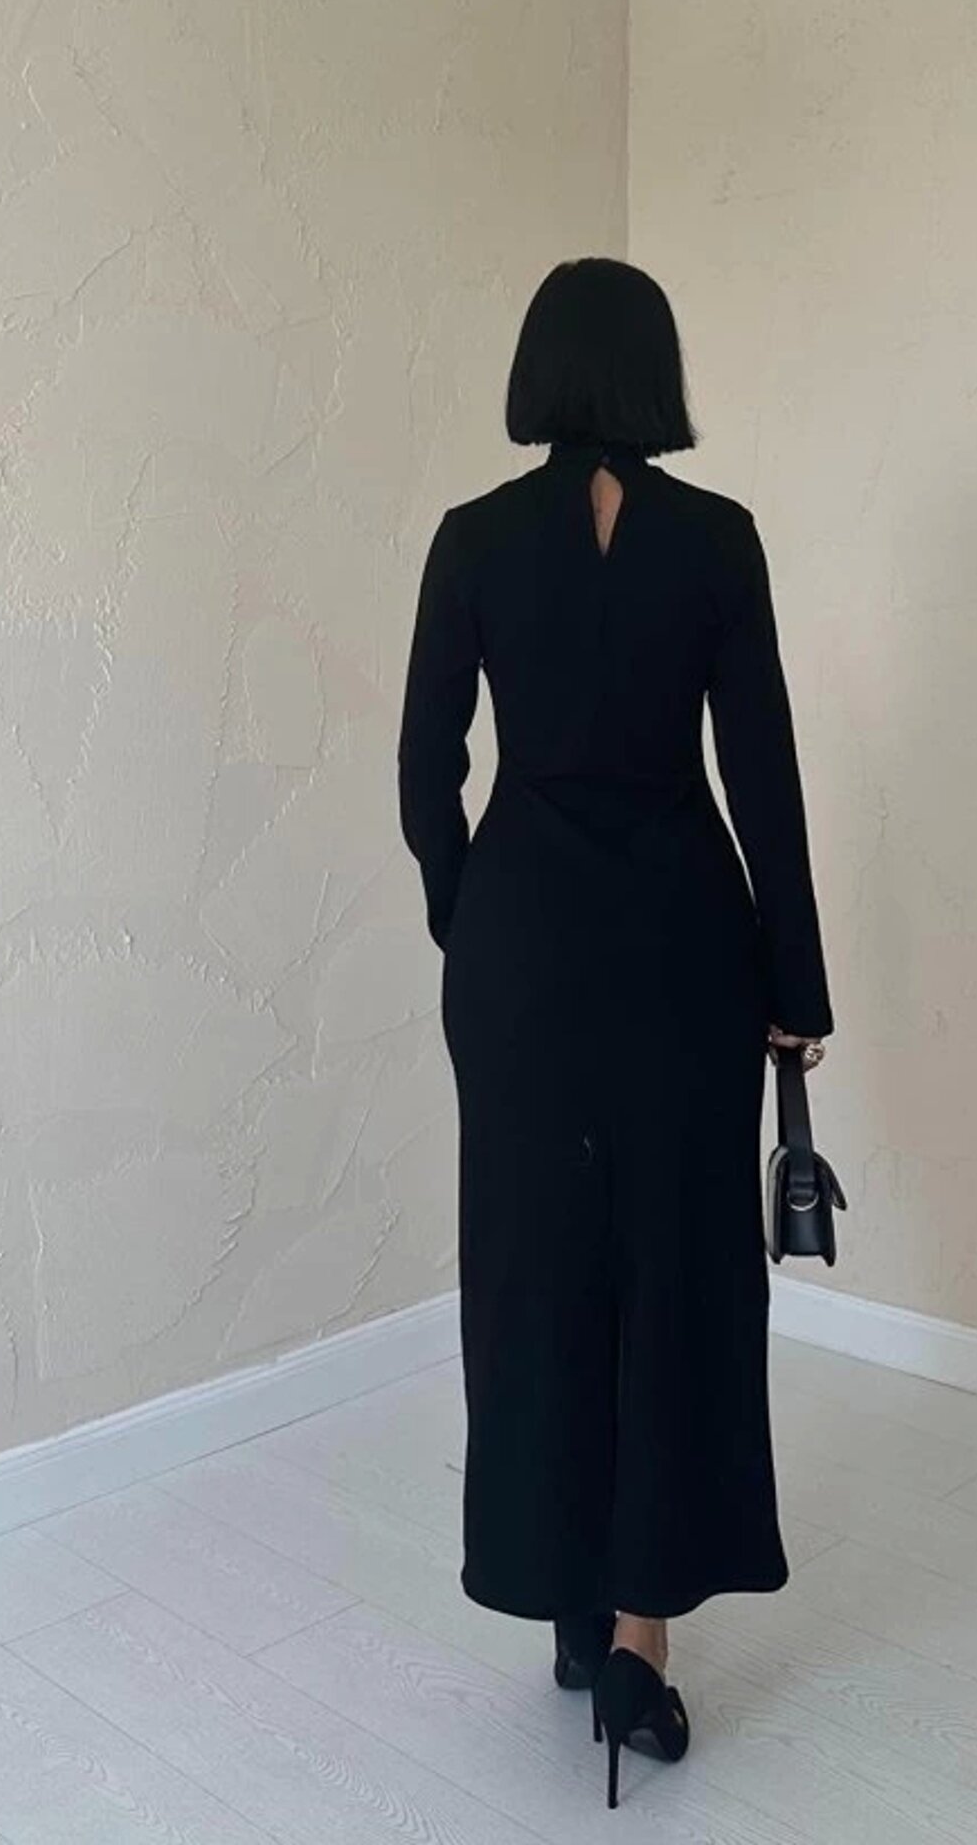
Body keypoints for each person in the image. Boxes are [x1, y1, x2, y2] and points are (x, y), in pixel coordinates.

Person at [396, 255, 833, 1808]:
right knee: (676, 1275)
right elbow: (762, 771)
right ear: (655, 372)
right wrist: (795, 983)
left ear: (538, 369)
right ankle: (641, 1634)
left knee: (535, 1274)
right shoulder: (718, 540)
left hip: (523, 954)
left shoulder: (472, 540)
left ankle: (567, 1601)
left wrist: (473, 922)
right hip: (682, 950)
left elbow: (425, 770)